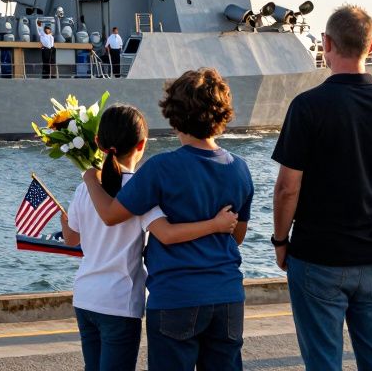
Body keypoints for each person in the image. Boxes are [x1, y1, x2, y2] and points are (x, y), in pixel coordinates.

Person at [82, 68, 253, 370]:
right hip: (227, 295)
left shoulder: (160, 168)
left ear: (174, 116)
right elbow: (235, 236)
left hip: (176, 297)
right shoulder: (240, 169)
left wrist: (90, 177)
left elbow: (110, 215)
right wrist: (213, 224)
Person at [271, 5, 372, 371]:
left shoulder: (307, 107)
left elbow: (286, 189)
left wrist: (281, 241)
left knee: (323, 361)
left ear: (326, 44)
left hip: (318, 254)